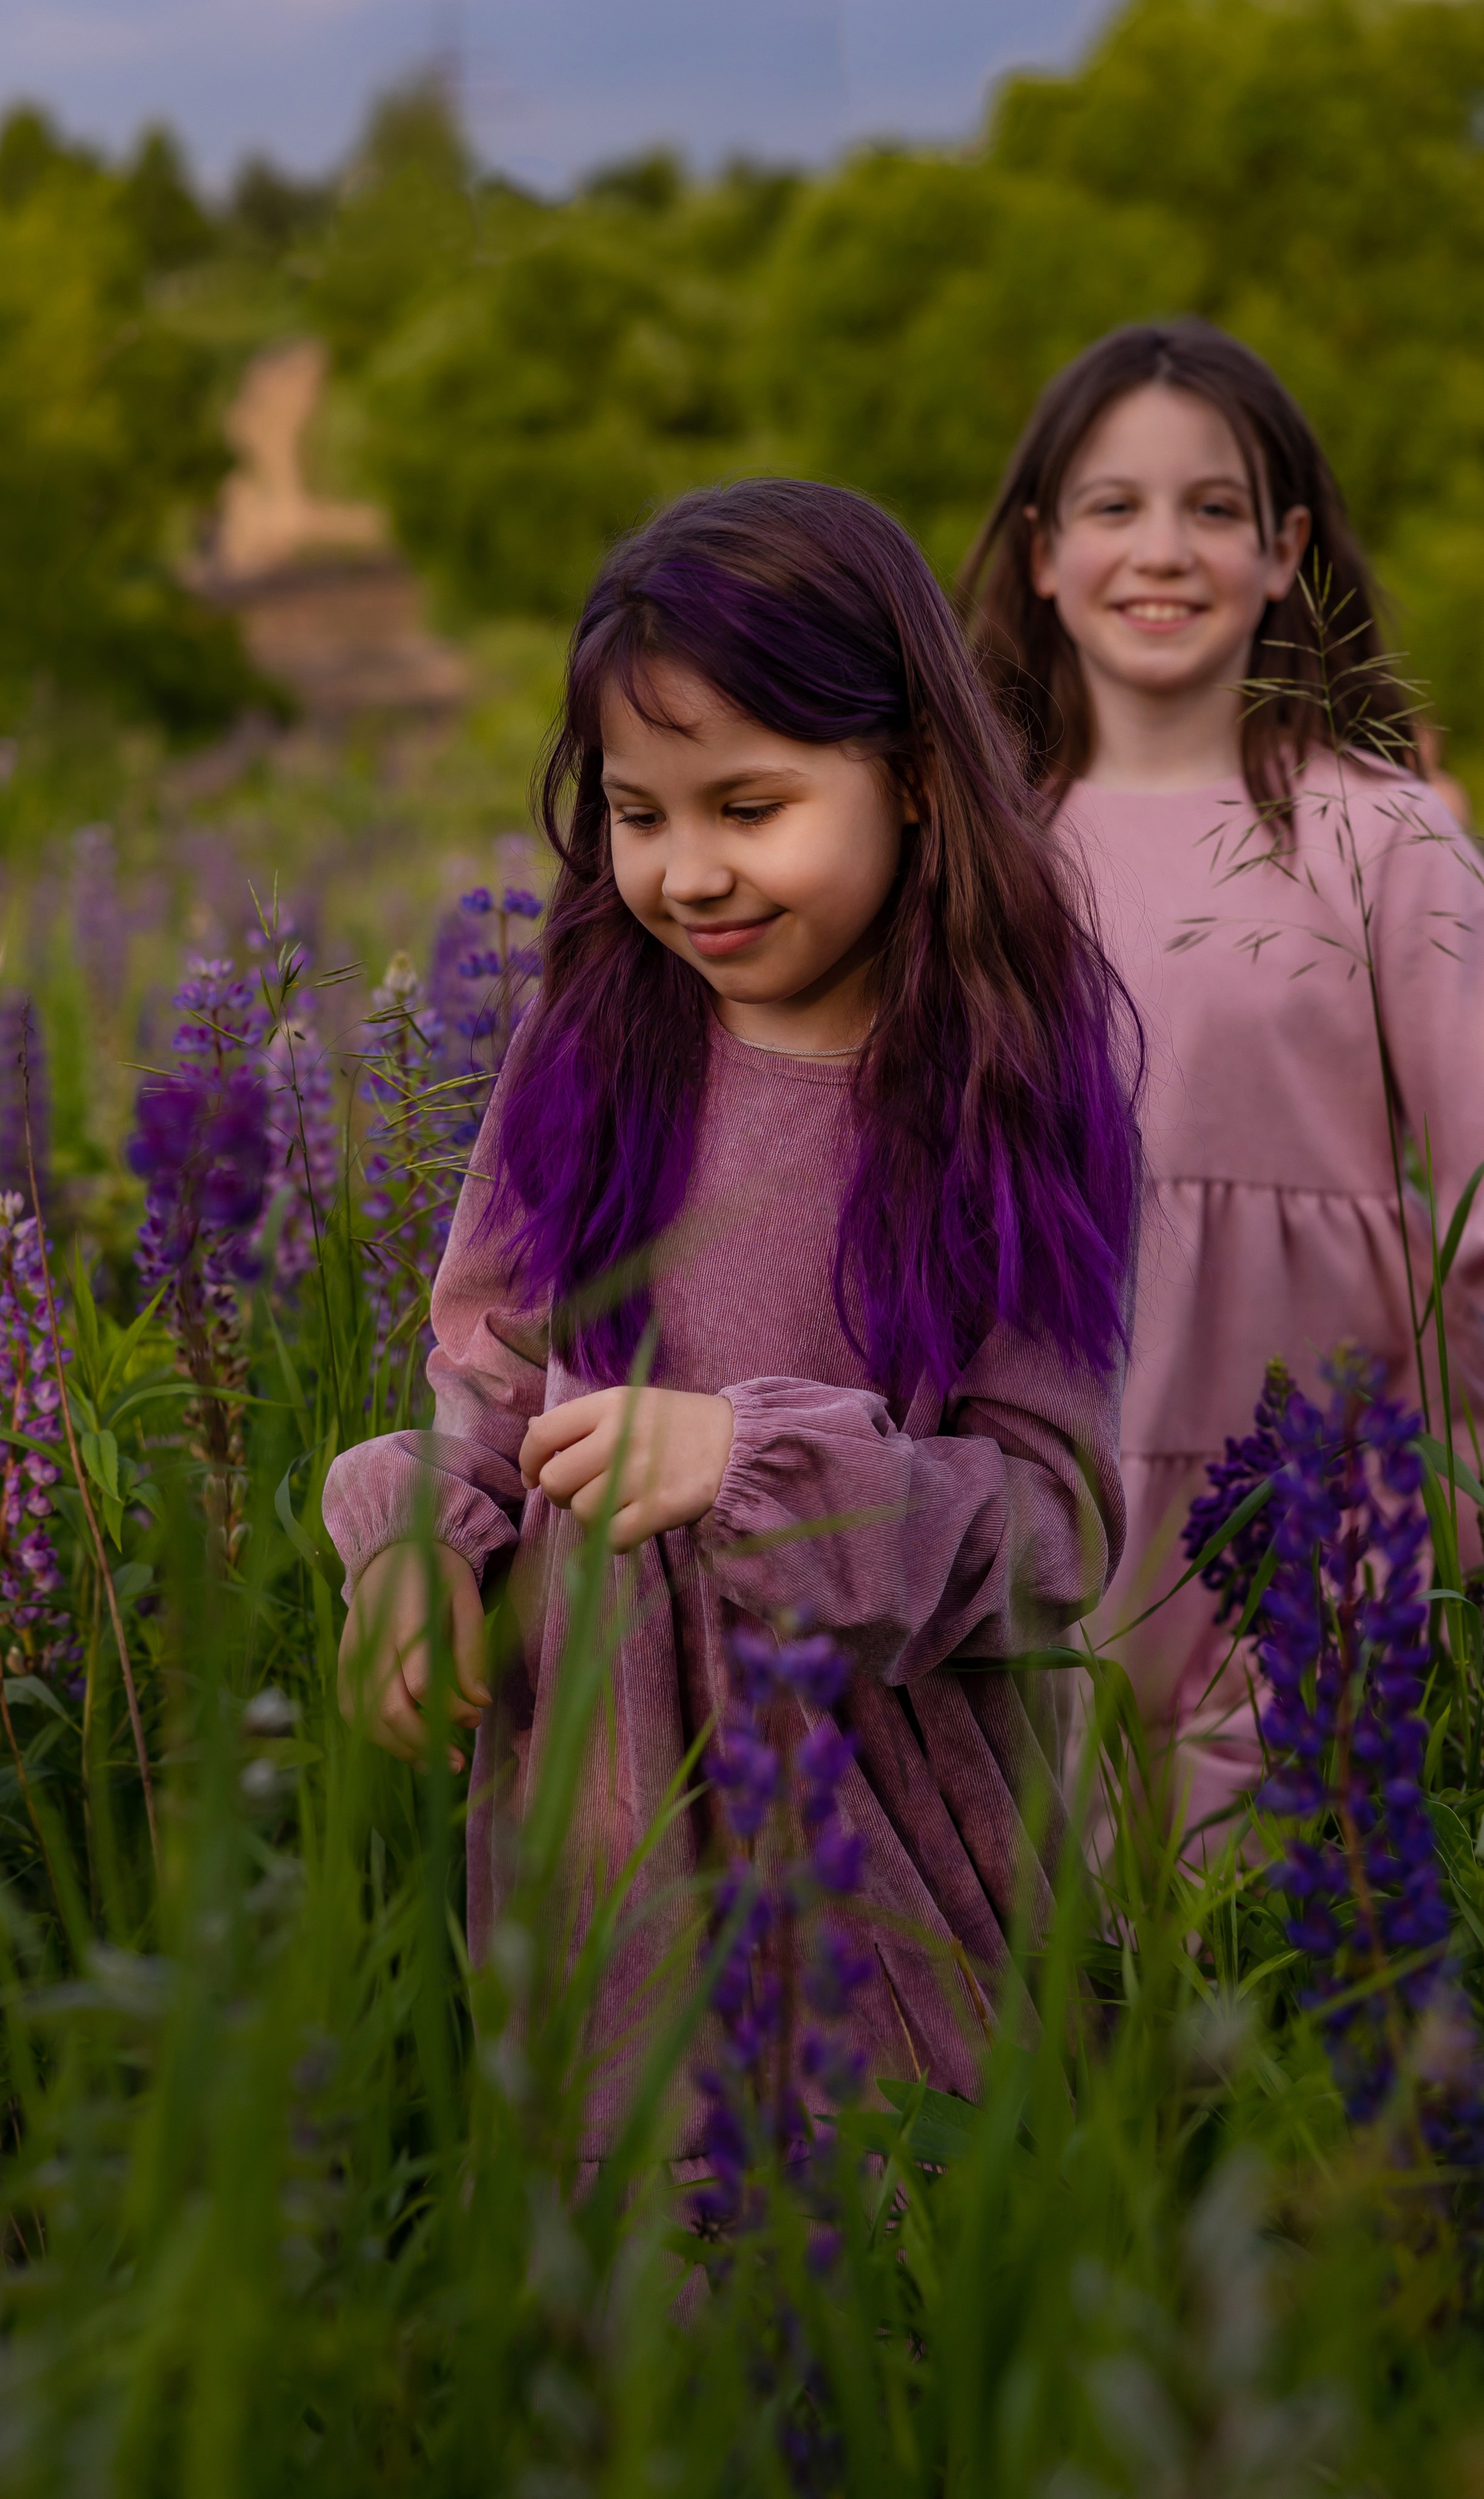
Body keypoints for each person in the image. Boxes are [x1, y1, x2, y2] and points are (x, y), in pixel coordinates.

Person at [325, 478, 1140, 2150]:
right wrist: (418, 1552)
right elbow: (491, 1377)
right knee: (626, 2220)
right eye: (638, 813)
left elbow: (1049, 1520)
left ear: (912, 777)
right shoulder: (591, 1045)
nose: (688, 871)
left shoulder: (994, 1086)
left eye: (749, 805)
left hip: (886, 1846)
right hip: (601, 1806)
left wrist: (758, 1471)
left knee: (883, 2245)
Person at [961, 320, 1484, 1846]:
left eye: (1210, 508)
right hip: (1025, 1507)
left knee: (1258, 1935)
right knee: (1054, 1957)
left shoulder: (1386, 832)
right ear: (1041, 552)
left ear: (1283, 550)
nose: (1160, 550)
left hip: (1313, 1509)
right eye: (1112, 506)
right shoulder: (973, 845)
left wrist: (1440, 1487)